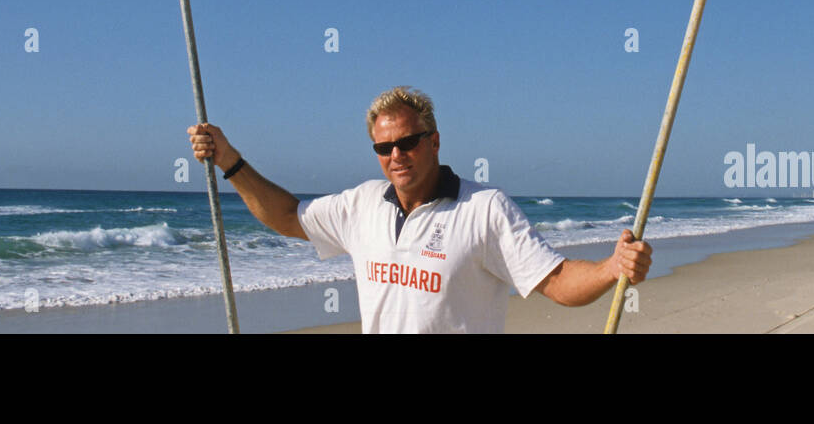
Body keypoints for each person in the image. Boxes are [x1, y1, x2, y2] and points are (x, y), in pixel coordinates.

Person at [188, 85, 652, 333]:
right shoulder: (362, 205)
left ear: (433, 142)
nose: (397, 155)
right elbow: (288, 216)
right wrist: (231, 161)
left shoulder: (484, 209)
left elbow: (554, 280)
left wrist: (613, 268)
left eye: (408, 142)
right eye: (384, 147)